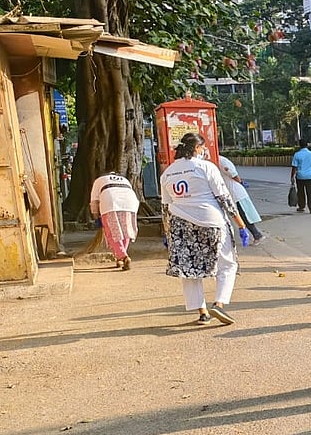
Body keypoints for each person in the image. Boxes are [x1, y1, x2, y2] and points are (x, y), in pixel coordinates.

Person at [160, 133, 250, 325]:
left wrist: (167, 232)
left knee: (188, 268)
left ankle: (202, 312)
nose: (204, 151)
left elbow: (165, 207)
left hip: (180, 224)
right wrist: (241, 225)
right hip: (211, 221)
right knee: (228, 263)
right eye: (203, 148)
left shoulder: (167, 173)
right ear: (197, 148)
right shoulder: (206, 167)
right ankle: (219, 304)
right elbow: (224, 199)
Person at [89, 172, 139, 270]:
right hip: (130, 202)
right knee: (126, 230)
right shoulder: (125, 180)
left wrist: (95, 214)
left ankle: (123, 256)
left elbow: (94, 201)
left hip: (110, 201)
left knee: (112, 232)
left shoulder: (99, 180)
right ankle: (120, 258)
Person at [217, 155, 263, 246]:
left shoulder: (221, 160)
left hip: (236, 193)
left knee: (244, 216)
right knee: (241, 216)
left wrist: (240, 182)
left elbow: (234, 175)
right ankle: (256, 235)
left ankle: (257, 235)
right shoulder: (216, 160)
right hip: (230, 193)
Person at [291, 139, 311, 214]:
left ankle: (302, 207)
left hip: (300, 176)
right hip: (310, 176)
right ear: (307, 145)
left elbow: (294, 167)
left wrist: (292, 177)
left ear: (300, 145)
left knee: (301, 192)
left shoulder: (297, 154)